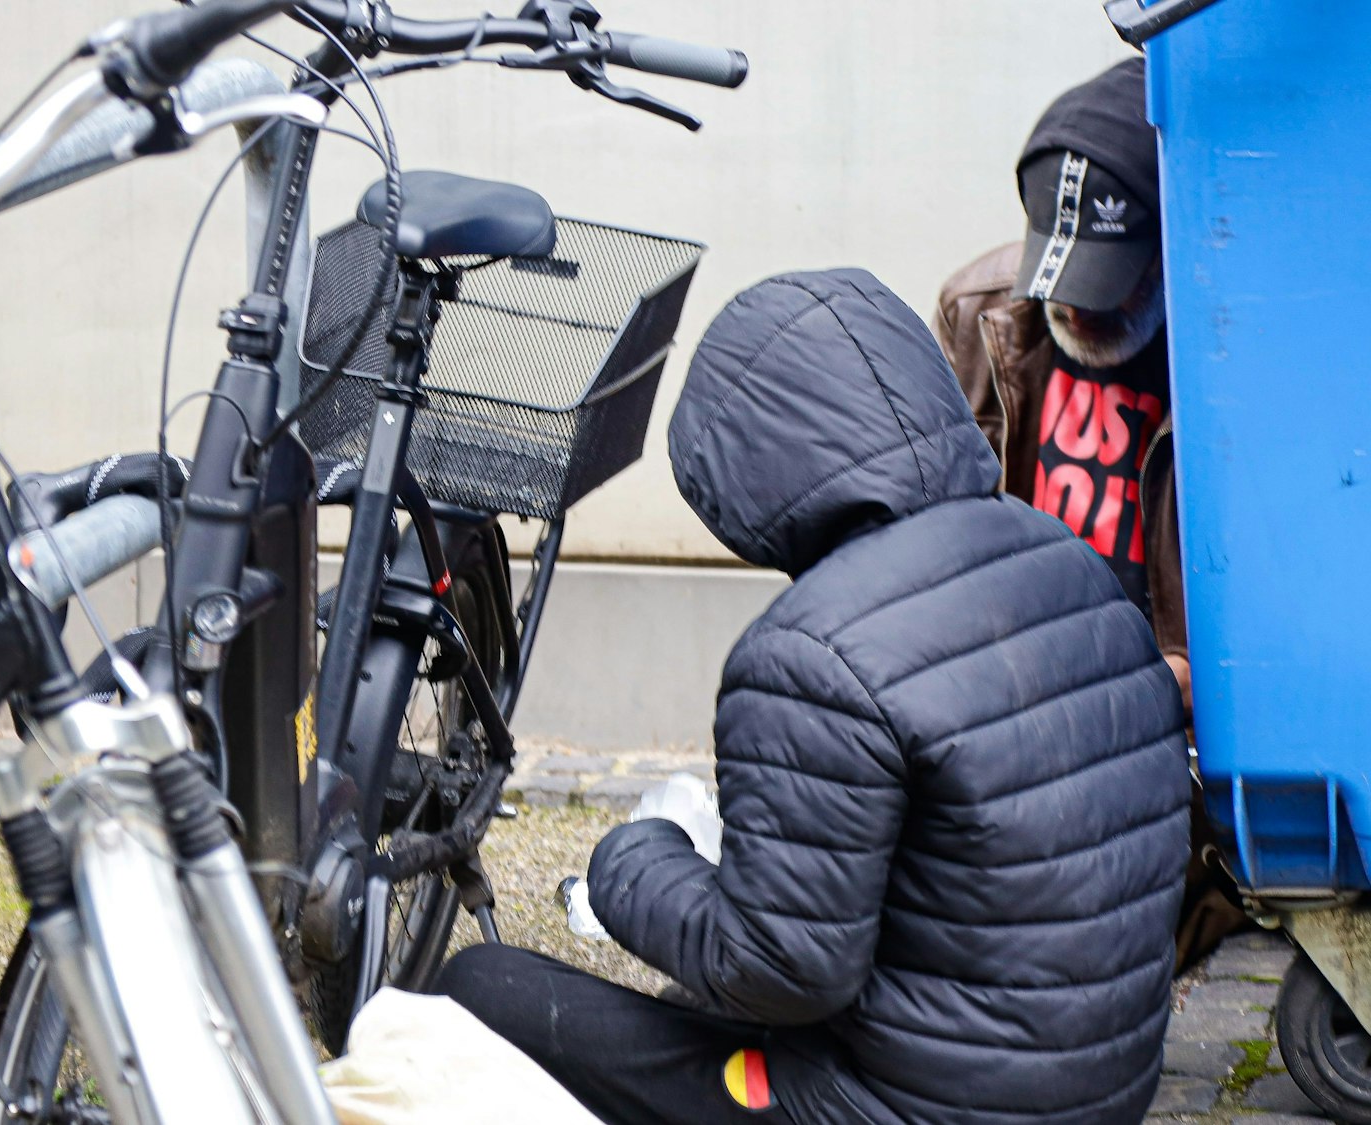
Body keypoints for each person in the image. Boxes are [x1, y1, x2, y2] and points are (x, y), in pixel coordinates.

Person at [438, 269, 1190, 1124]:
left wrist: (632, 860)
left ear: (747, 470)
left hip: (903, 1107)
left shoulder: (810, 653)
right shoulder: (1072, 565)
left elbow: (779, 968)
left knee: (480, 990)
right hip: (1095, 1096)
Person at [930, 58, 1247, 969]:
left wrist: (1190, 675)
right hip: (1018, 686)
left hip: (1167, 712)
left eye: (1106, 277)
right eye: (1056, 274)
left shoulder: (1230, 340)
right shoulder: (980, 311)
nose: (1072, 303)